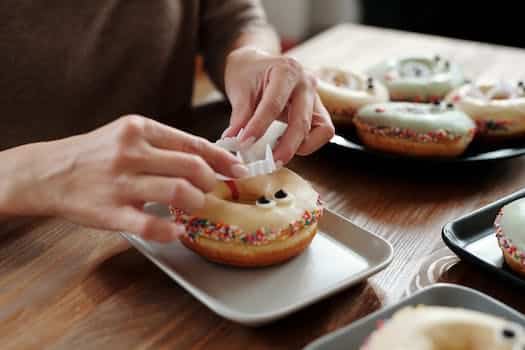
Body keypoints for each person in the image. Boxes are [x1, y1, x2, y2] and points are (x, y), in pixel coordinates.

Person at [0, 1, 334, 242]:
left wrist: (250, 54)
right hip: (25, 249)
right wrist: (38, 172)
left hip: (168, 213)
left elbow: (236, 18)